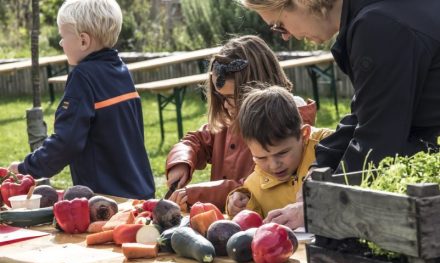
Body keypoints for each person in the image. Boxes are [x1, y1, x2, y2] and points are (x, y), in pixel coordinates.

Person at [239, 0, 440, 173]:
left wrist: (319, 201)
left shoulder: (378, 26)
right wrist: (323, 164)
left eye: (279, 25)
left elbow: (378, 140)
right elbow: (370, 112)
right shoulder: (378, 12)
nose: (285, 36)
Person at [8, 0, 155, 199]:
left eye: (63, 36)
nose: (61, 43)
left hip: (106, 199)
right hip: (140, 191)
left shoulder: (82, 77)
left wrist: (26, 168)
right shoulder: (120, 70)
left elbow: (66, 142)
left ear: (83, 41)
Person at [166, 35, 317, 211]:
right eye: (220, 97)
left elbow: (259, 181)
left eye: (232, 97)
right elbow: (197, 140)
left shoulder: (286, 118)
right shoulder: (231, 115)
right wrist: (181, 161)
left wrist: (198, 194)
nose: (225, 105)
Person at [226, 84, 332, 229]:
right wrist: (239, 203)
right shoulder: (254, 188)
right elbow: (250, 226)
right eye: (261, 158)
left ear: (304, 135)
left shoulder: (328, 146)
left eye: (282, 153)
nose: (274, 165)